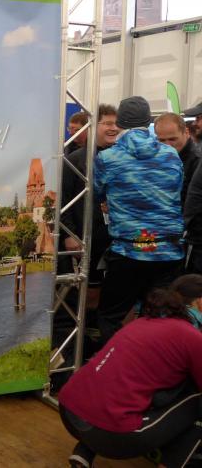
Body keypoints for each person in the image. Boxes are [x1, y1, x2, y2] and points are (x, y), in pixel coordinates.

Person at [59, 287, 202, 468]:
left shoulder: (140, 323)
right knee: (196, 401)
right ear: (196, 303)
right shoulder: (191, 336)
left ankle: (84, 452)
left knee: (122, 386)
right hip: (111, 435)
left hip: (69, 412)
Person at [94, 96, 184, 344]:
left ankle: (120, 363)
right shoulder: (171, 155)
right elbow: (175, 190)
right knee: (162, 320)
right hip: (168, 251)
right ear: (149, 122)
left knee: (110, 316)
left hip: (129, 251)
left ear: (120, 123)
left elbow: (98, 194)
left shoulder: (107, 158)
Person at [52, 105, 119, 391]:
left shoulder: (120, 158)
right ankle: (70, 362)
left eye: (116, 124)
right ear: (93, 127)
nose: (113, 128)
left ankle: (94, 357)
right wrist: (69, 235)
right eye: (107, 123)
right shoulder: (75, 161)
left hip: (112, 244)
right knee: (76, 301)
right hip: (80, 242)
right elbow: (62, 201)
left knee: (103, 300)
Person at [154, 112, 200, 205]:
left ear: (186, 133)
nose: (167, 145)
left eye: (172, 139)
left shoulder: (198, 161)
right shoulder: (156, 158)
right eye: (162, 140)